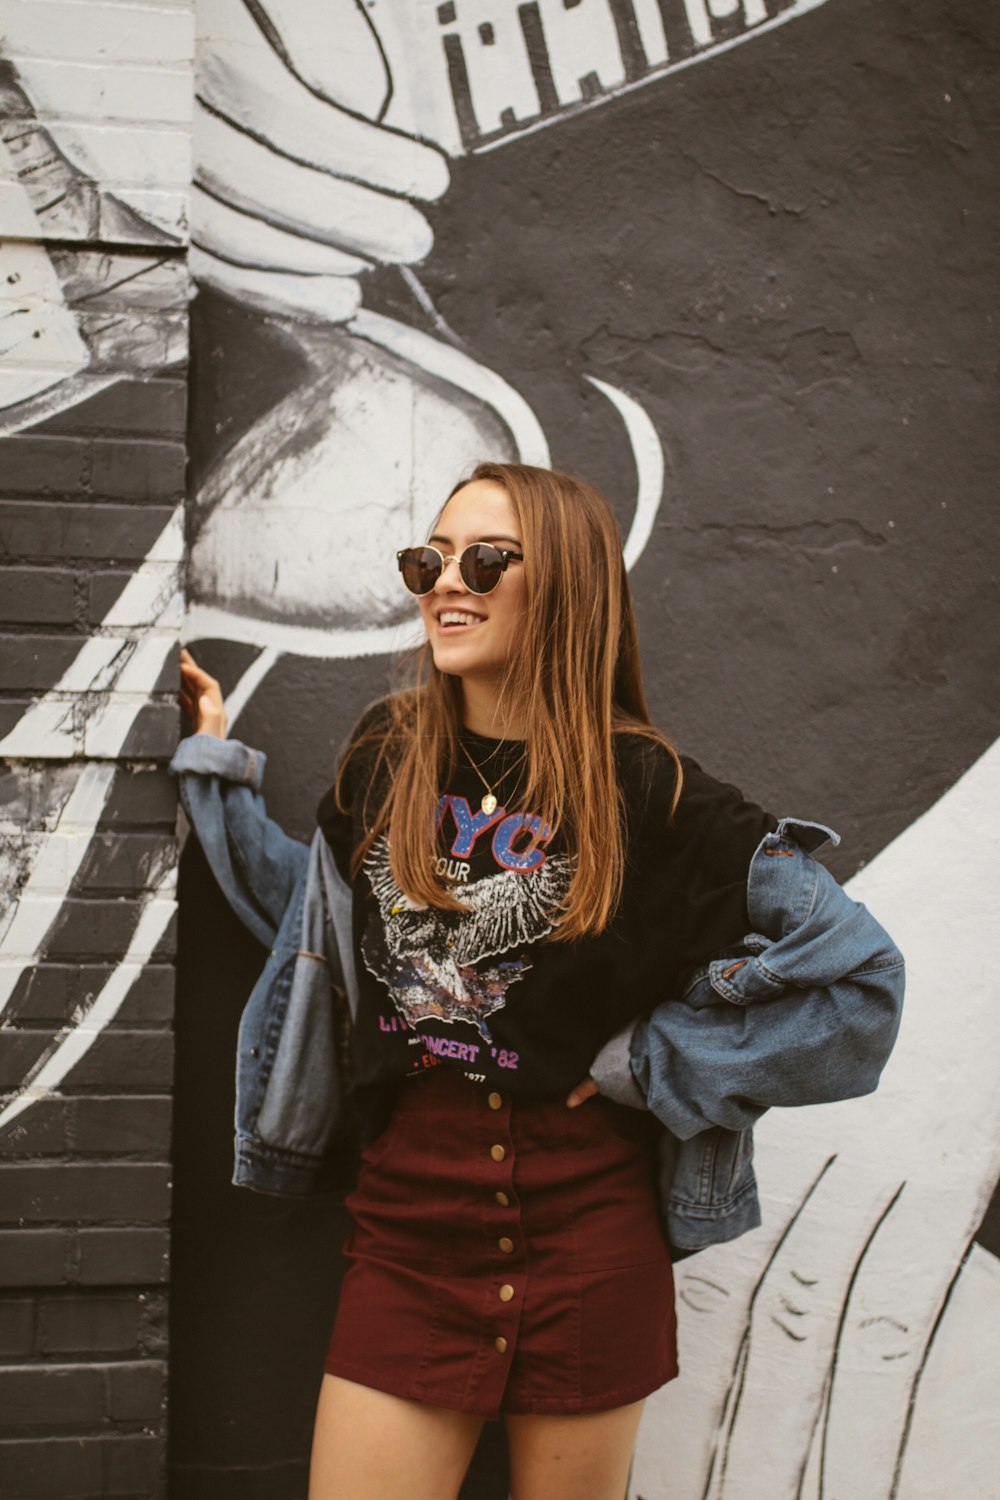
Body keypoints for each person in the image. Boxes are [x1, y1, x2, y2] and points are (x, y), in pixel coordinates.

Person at [175, 461, 903, 1500]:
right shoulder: (387, 756)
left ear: (564, 581)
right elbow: (321, 920)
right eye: (426, 559)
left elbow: (859, 984)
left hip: (588, 1227)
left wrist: (646, 1063)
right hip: (412, 1223)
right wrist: (216, 777)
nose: (444, 582)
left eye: (483, 558)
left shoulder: (656, 794)